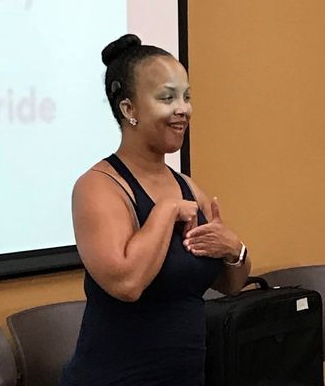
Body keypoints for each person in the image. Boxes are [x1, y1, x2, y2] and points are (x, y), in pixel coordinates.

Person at [60, 34, 251, 386]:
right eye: (167, 97)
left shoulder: (187, 185)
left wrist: (233, 250)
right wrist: (164, 212)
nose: (183, 109)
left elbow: (230, 284)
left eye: (187, 96)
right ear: (129, 109)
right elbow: (127, 283)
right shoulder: (98, 186)